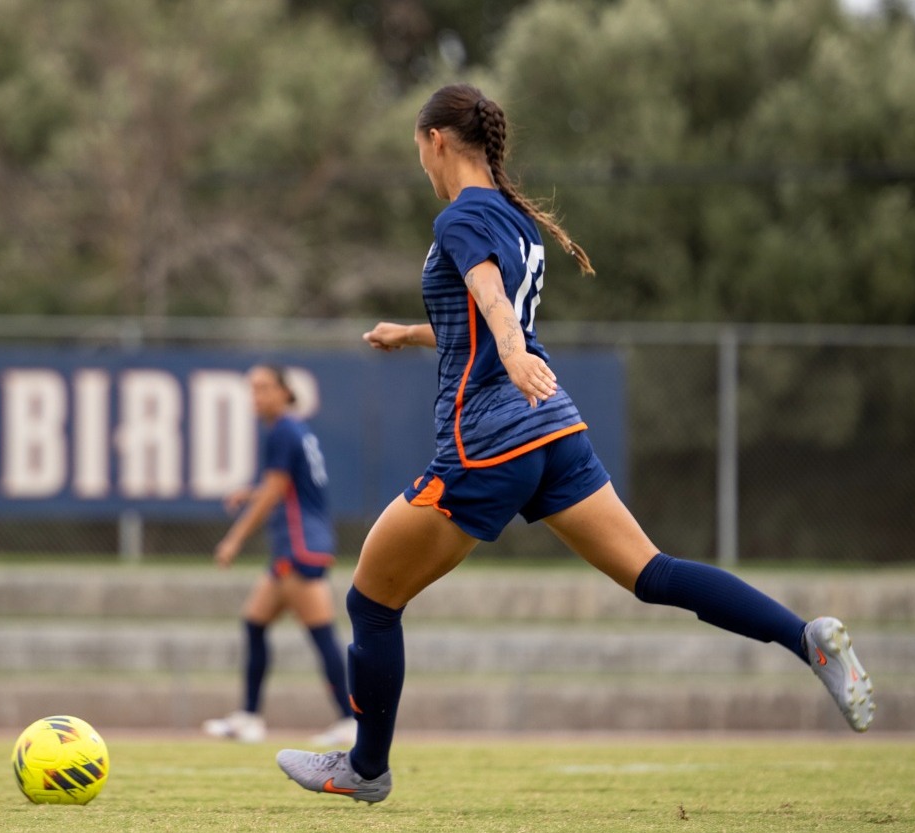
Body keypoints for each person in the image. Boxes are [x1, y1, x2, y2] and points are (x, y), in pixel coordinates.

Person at [276, 84, 875, 804]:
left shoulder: (462, 213)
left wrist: (506, 346)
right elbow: (482, 316)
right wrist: (412, 334)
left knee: (371, 600)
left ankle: (366, 768)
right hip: (553, 425)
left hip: (488, 439)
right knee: (651, 571)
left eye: (418, 150)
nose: (421, 165)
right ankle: (803, 636)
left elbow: (493, 302)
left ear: (436, 140)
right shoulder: (515, 218)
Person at [201, 364, 357, 747]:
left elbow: (276, 491)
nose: (257, 396)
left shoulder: (284, 431)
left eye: (265, 388)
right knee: (255, 624)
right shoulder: (291, 430)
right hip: (301, 542)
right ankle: (249, 717)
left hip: (300, 544)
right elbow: (285, 488)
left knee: (321, 635)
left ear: (285, 393)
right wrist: (251, 493)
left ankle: (351, 720)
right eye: (252, 389)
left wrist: (234, 539)